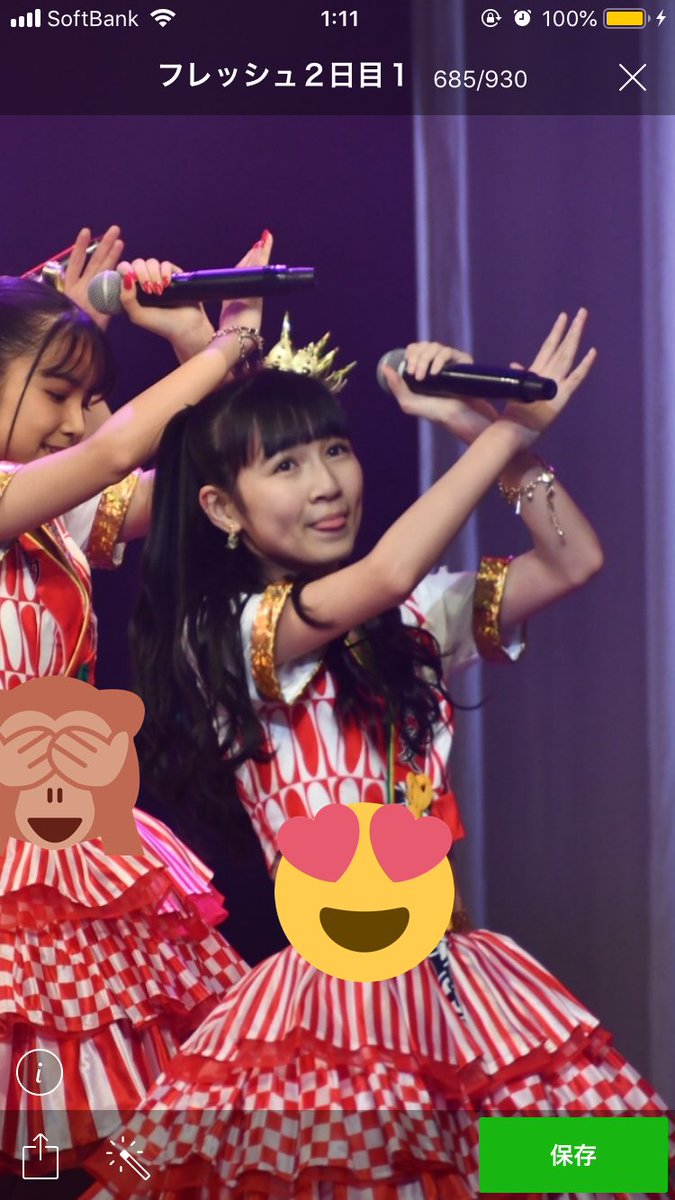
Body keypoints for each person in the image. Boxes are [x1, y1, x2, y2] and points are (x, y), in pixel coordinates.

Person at [87, 311, 671, 1199]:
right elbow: (387, 572)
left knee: (597, 1162)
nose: (327, 484)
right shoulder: (225, 633)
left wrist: (477, 428)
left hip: (453, 985)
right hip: (330, 1002)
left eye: (335, 451)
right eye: (286, 465)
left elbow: (573, 560)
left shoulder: (410, 623)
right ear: (221, 509)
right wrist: (509, 430)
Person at [0, 224, 274, 1181]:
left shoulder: (52, 511)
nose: (76, 420)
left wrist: (202, 344)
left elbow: (214, 487)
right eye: (55, 393)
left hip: (66, 843)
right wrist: (231, 344)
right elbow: (117, 448)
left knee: (126, 1137)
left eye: (86, 397)